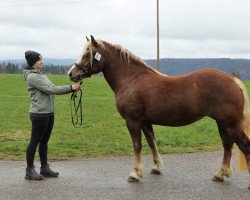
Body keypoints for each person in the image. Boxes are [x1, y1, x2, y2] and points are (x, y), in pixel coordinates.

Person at [23, 50, 80, 180]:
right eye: (39, 60)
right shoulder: (33, 77)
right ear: (33, 63)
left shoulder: (41, 74)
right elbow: (51, 89)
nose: (41, 62)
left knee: (44, 142)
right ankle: (29, 170)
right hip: (39, 114)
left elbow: (51, 86)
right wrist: (70, 88)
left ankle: (44, 168)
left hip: (48, 112)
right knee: (34, 142)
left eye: (41, 59)